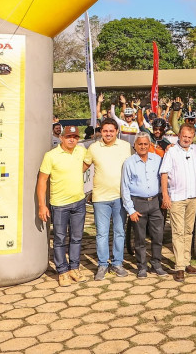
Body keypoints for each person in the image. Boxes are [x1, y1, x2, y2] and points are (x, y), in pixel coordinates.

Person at [37, 125, 88, 286]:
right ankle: (62, 271)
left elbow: (87, 164)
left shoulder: (81, 151)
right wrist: (41, 205)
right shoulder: (51, 156)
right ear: (61, 138)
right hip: (59, 204)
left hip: (79, 202)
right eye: (68, 137)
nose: (71, 139)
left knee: (76, 237)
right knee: (59, 239)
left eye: (74, 137)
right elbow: (42, 180)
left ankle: (74, 267)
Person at [82, 117, 133, 280]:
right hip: (100, 198)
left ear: (117, 132)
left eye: (111, 131)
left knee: (119, 232)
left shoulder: (125, 146)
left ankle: (117, 263)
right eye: (105, 131)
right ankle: (102, 265)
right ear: (100, 132)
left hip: (120, 197)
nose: (108, 134)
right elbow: (82, 168)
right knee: (102, 234)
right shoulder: (94, 148)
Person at [160, 124, 196, 282]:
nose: (186, 139)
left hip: (193, 196)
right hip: (177, 197)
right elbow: (164, 173)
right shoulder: (171, 151)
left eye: (189, 137)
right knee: (178, 232)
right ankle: (179, 266)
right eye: (184, 136)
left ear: (193, 137)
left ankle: (186, 262)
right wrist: (165, 195)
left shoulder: (195, 150)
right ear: (179, 135)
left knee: (189, 230)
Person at [121, 133, 169, 278]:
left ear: (149, 145)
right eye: (140, 144)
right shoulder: (129, 163)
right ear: (135, 145)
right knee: (140, 238)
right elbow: (125, 187)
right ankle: (142, 267)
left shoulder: (158, 160)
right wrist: (131, 210)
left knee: (158, 235)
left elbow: (163, 179)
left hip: (155, 202)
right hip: (138, 203)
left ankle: (156, 264)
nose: (143, 147)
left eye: (145, 144)